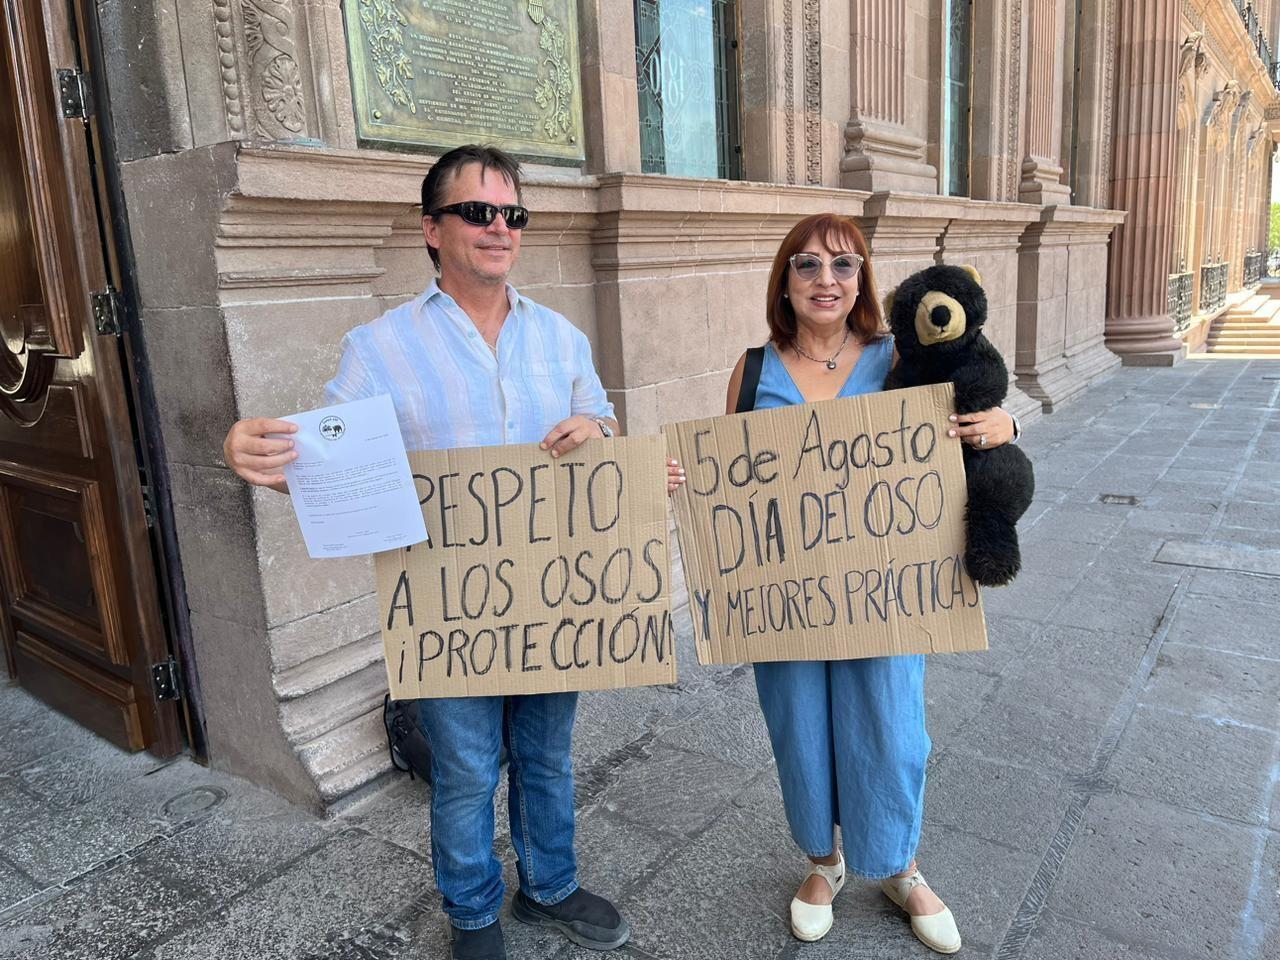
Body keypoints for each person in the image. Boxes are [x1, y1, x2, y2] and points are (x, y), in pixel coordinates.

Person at [223, 144, 683, 960]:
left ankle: (549, 886)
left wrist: (602, 432)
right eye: (478, 212)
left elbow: (602, 417)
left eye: (512, 214)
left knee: (546, 754)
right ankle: (472, 913)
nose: (498, 228)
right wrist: (261, 454)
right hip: (449, 605)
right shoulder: (379, 348)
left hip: (552, 595)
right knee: (468, 769)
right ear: (433, 230)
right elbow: (337, 465)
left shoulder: (560, 336)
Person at [724, 213, 1018, 955]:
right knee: (799, 729)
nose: (828, 280)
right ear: (784, 281)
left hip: (882, 592)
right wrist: (684, 483)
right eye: (809, 265)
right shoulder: (754, 369)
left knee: (890, 728)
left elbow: (973, 412)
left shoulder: (900, 357)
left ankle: (899, 866)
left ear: (863, 281)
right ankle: (824, 864)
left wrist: (1005, 427)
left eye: (845, 265)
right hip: (787, 596)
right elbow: (728, 478)